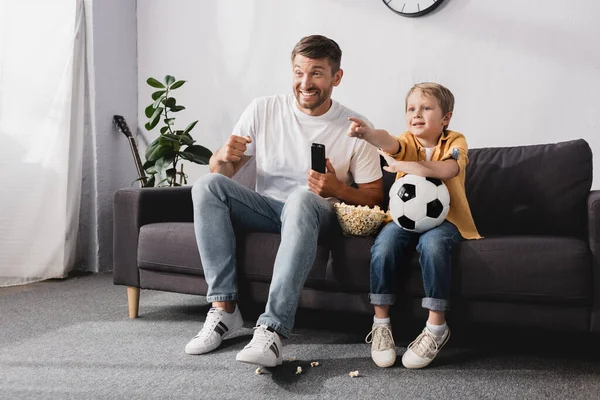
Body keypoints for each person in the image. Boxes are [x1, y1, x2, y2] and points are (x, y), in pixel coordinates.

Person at [185, 35, 384, 367]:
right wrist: (221, 156)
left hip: (319, 211)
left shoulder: (354, 128)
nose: (305, 83)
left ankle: (271, 329)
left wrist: (337, 187)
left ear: (337, 77)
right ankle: (224, 311)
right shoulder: (264, 108)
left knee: (301, 199)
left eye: (317, 73)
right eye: (298, 72)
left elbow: (376, 197)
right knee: (207, 186)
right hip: (268, 209)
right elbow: (223, 170)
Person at [347, 82, 481, 369]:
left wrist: (404, 167)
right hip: (403, 219)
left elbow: (447, 170)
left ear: (445, 118)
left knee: (433, 246)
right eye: (411, 109)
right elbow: (389, 142)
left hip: (446, 220)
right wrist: (368, 134)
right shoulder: (407, 141)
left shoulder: (456, 141)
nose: (416, 114)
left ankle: (436, 327)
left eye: (426, 108)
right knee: (383, 246)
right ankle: (381, 323)